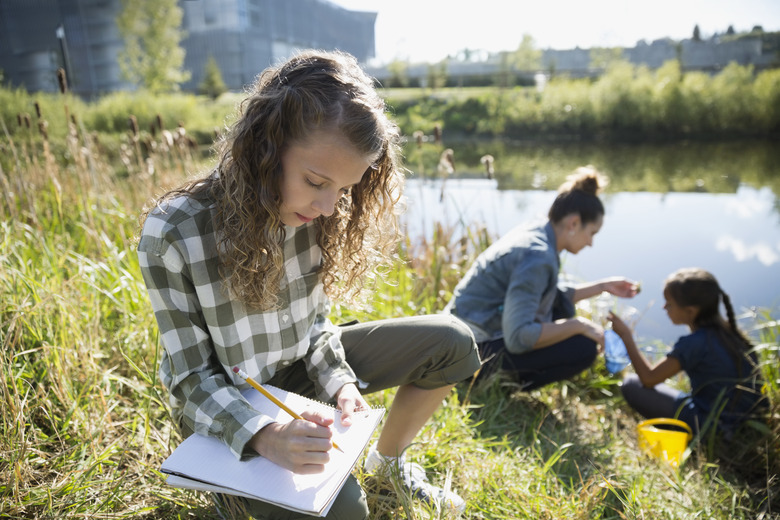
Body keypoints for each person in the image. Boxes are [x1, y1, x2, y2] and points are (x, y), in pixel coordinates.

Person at [137, 50, 480, 519]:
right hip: (230, 406)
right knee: (347, 515)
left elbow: (315, 325)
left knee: (454, 343)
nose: (327, 206)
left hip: (299, 375)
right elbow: (190, 380)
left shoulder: (312, 212)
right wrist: (266, 436)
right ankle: (230, 487)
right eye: (316, 181)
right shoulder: (174, 231)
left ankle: (388, 461)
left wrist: (340, 385)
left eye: (344, 190)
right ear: (265, 148)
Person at [445, 166, 639, 389]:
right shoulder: (537, 256)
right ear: (574, 223)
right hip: (464, 353)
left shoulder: (539, 232)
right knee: (583, 347)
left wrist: (603, 286)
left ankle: (496, 379)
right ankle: (494, 385)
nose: (590, 243)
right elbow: (519, 338)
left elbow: (546, 293)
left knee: (561, 312)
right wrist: (580, 325)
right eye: (592, 233)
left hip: (461, 337)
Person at [609, 267, 766, 434]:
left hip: (713, 427)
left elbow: (649, 379)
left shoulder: (694, 343)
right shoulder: (733, 334)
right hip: (748, 424)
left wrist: (626, 336)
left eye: (669, 304)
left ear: (690, 311)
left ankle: (691, 435)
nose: (664, 308)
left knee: (631, 384)